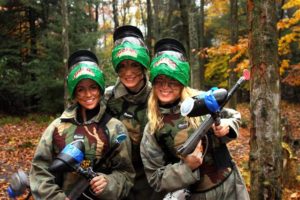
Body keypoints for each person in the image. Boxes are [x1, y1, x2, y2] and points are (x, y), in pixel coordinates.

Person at [140, 38, 250, 200]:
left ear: (182, 82)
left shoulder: (200, 102)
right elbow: (155, 178)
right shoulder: (153, 127)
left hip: (231, 187)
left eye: (172, 82)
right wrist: (186, 167)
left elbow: (234, 115)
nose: (165, 87)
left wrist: (226, 126)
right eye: (160, 81)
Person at [29, 50, 135, 199]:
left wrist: (108, 183)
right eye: (81, 89)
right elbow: (39, 171)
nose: (88, 94)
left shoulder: (115, 128)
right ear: (74, 92)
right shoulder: (57, 127)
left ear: (100, 88)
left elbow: (126, 174)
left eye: (93, 87)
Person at [105, 25, 165, 199]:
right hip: (119, 179)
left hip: (156, 179)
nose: (128, 72)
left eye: (134, 65)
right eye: (122, 66)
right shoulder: (106, 98)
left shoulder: (161, 93)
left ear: (143, 66)